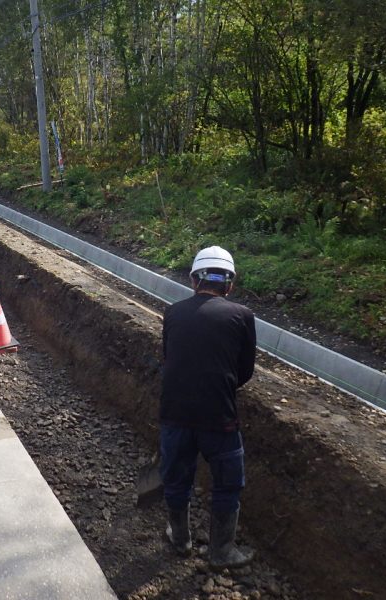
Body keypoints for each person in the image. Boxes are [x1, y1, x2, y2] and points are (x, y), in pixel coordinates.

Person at [160, 245, 256, 571]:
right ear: (229, 284)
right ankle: (221, 551)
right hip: (221, 419)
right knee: (227, 484)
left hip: (174, 416)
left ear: (193, 280)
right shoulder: (242, 316)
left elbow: (170, 359)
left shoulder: (172, 313)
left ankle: (180, 539)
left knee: (177, 479)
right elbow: (244, 372)